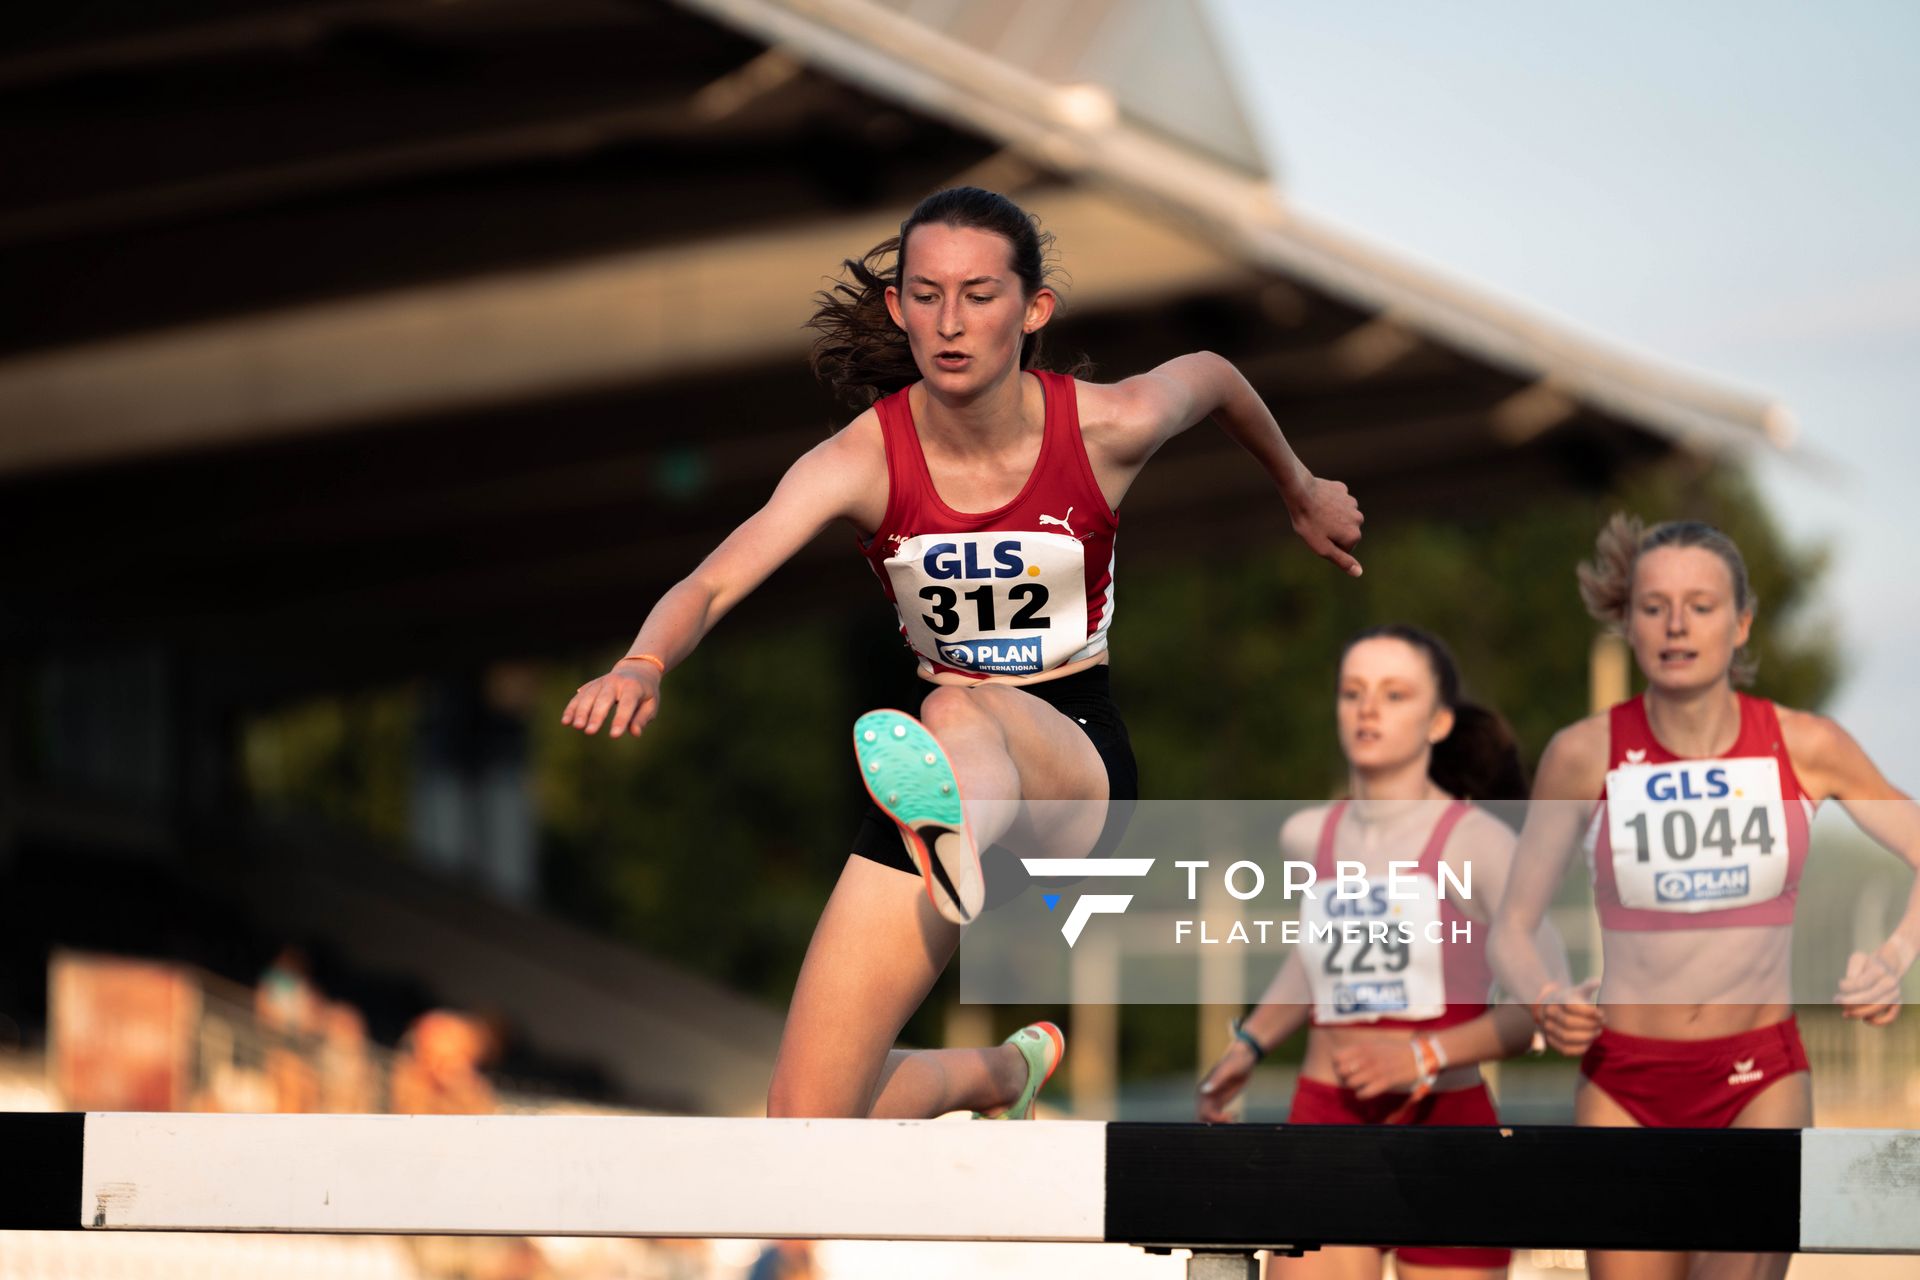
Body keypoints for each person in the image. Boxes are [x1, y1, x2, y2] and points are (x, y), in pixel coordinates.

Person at [561, 187, 1365, 1119]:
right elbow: (711, 582)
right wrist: (643, 663)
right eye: (927, 295)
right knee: (802, 1122)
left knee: (953, 707)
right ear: (898, 308)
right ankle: (996, 1074)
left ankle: (955, 834)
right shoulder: (859, 461)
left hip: (1073, 765)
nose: (951, 323)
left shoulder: (1107, 426)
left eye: (980, 296)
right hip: (934, 794)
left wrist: (1300, 489)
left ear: (1032, 312)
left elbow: (1216, 373)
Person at [1489, 516, 1920, 1280]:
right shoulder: (1583, 754)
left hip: (1760, 1081)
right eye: (1654, 606)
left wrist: (1894, 957)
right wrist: (1544, 995)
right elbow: (1511, 931)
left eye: (1701, 604)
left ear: (1742, 620)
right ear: (1627, 620)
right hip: (1624, 1084)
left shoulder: (1804, 744)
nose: (1677, 625)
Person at [1198, 626, 1548, 1280]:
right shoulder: (1308, 837)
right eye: (1352, 692)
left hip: (1447, 1127)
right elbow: (1314, 958)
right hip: (1327, 1121)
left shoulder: (1482, 849)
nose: (1367, 709)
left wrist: (1422, 1053)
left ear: (1438, 720)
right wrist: (1248, 1046)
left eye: (1394, 694)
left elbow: (1543, 1006)